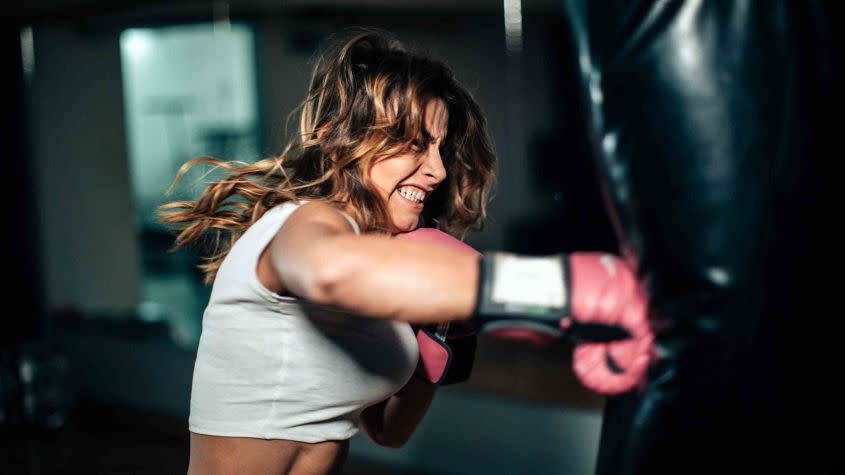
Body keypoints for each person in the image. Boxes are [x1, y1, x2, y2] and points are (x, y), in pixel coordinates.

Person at [160, 29, 652, 475]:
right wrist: (557, 289)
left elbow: (389, 432)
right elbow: (329, 271)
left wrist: (438, 352)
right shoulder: (308, 221)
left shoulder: (380, 260)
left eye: (439, 147)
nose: (436, 169)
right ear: (335, 138)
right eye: (414, 144)